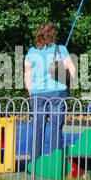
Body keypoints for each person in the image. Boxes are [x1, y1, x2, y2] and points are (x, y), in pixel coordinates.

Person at [23, 22, 76, 165]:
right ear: (53, 33)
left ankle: (35, 163)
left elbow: (27, 74)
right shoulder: (61, 50)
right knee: (55, 128)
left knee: (37, 129)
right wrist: (68, 86)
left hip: (38, 94)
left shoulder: (31, 52)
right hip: (57, 93)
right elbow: (72, 69)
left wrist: (31, 93)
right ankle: (56, 163)